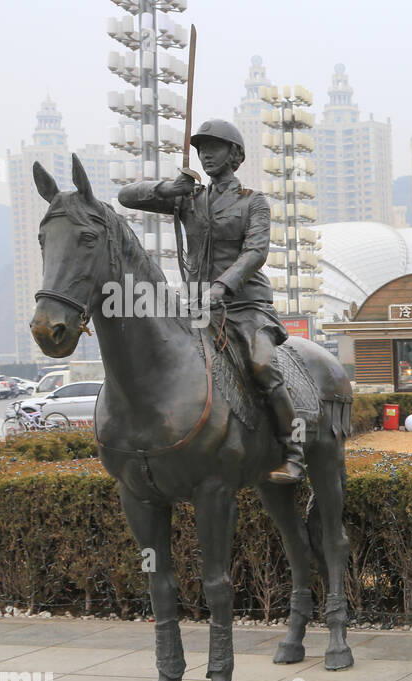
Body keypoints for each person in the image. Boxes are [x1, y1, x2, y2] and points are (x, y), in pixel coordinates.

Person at [118, 119, 305, 483]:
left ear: (235, 155)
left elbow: (255, 252)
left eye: (215, 146)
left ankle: (294, 450)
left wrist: (222, 286)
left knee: (263, 366)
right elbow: (127, 197)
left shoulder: (253, 202)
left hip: (246, 306)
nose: (205, 153)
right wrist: (169, 188)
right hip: (197, 308)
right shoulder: (189, 199)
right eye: (201, 147)